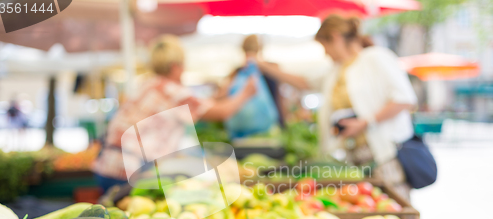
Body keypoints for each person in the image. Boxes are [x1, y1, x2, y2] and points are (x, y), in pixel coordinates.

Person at [257, 15, 417, 199]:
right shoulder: (336, 70)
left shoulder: (376, 57)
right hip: (355, 161)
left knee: (396, 205)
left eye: (325, 47)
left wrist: (365, 122)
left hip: (385, 157)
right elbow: (303, 82)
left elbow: (404, 99)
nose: (326, 54)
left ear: (335, 38)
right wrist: (264, 66)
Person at [93, 35, 256, 192]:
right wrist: (246, 93)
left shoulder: (148, 85)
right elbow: (221, 112)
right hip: (130, 170)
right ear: (175, 66)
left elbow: (201, 104)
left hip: (108, 165)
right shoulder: (172, 91)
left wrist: (222, 94)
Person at [216, 35, 282, 138]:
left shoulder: (237, 73)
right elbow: (280, 99)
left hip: (239, 132)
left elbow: (220, 96)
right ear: (260, 48)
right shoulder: (272, 69)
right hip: (268, 132)